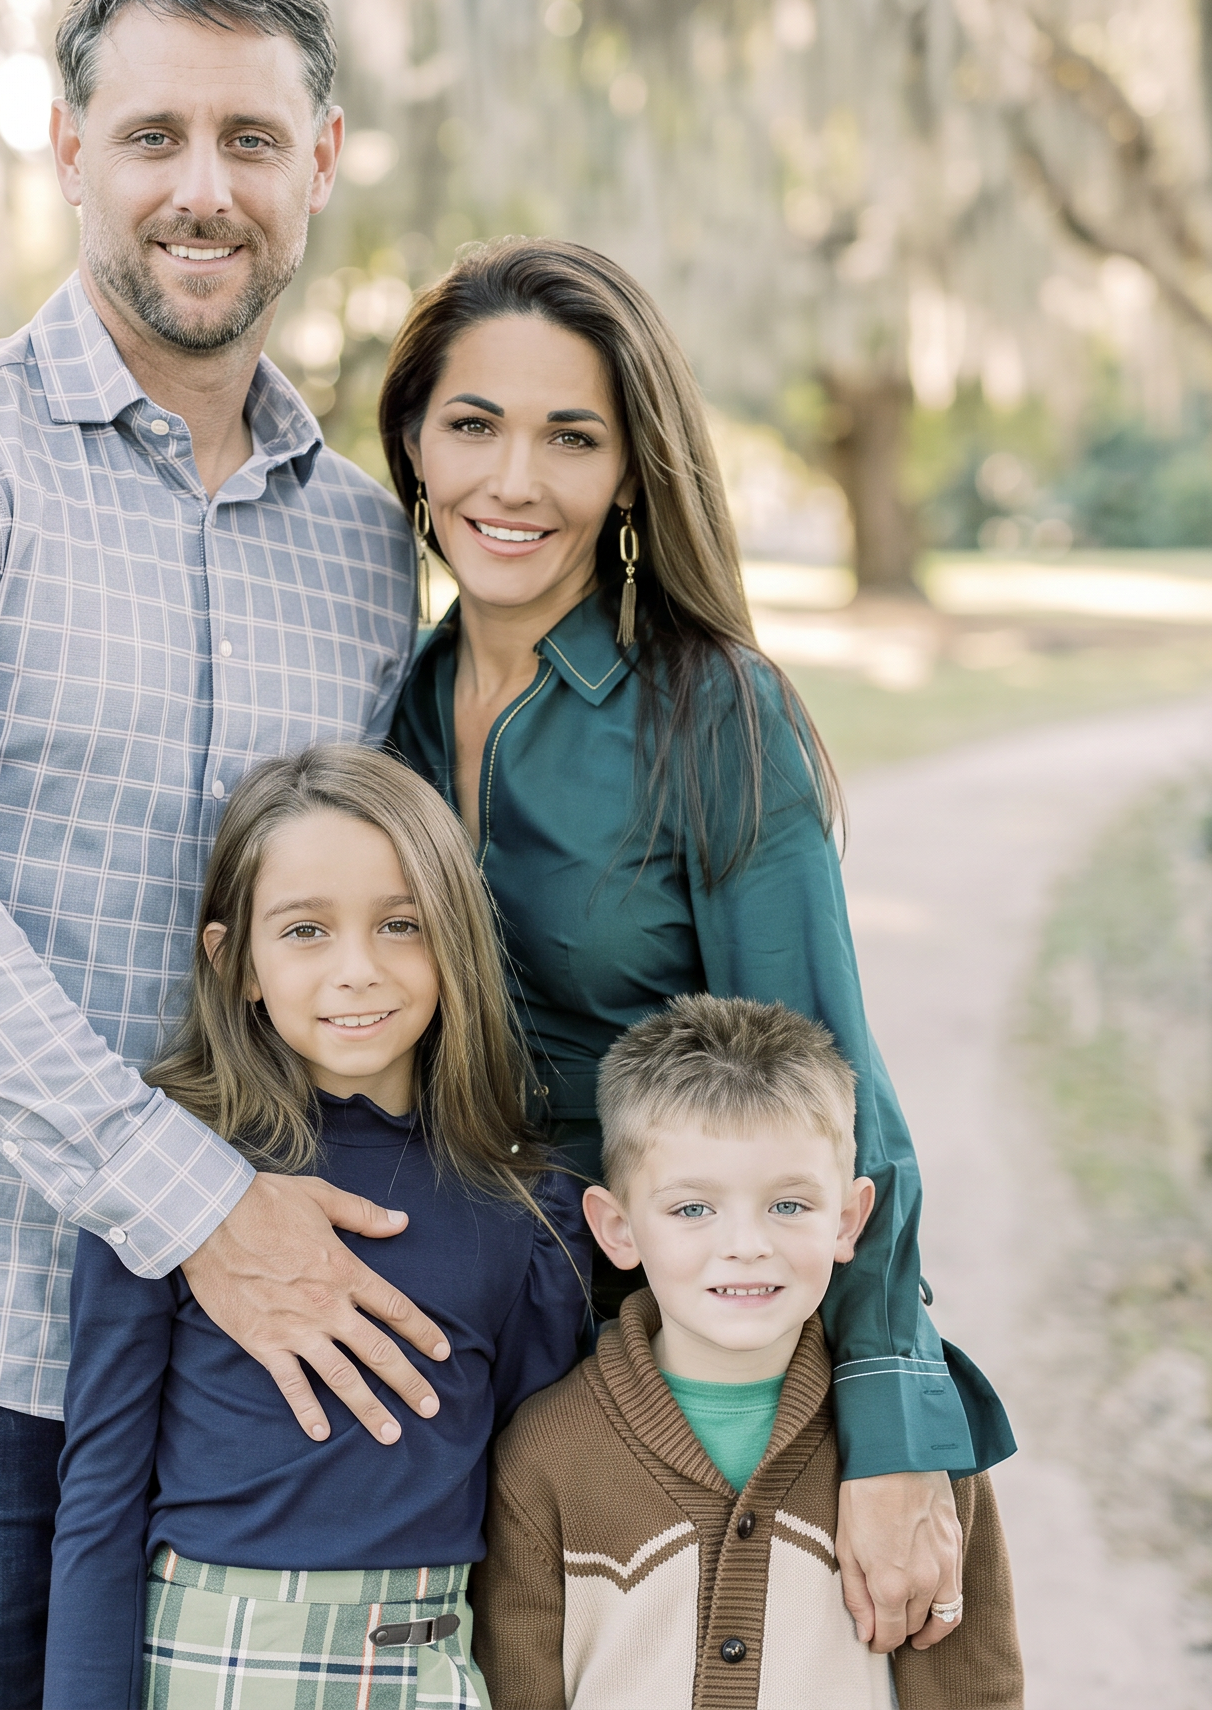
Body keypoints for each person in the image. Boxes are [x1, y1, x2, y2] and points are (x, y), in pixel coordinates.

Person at [0, 0, 453, 1703]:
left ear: (320, 162)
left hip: (249, 1339)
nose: (201, 189)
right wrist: (195, 1205)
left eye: (249, 138)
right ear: (70, 152)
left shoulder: (364, 546)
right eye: (153, 136)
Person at [382, 237, 1015, 1654]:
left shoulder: (712, 712)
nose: (514, 480)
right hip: (442, 1343)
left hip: (667, 1355)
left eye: (572, 437)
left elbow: (830, 1077)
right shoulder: (390, 704)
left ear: (629, 474)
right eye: (474, 424)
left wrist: (892, 1419)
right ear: (413, 442)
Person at [46, 744, 592, 1708]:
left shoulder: (524, 1205)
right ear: (236, 963)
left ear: (455, 938)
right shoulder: (174, 1180)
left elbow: (525, 1500)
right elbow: (100, 1497)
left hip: (429, 1667)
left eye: (401, 925)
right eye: (305, 931)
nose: (358, 972)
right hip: (212, 1666)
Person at [472, 996, 1023, 1708]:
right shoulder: (547, 1454)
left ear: (848, 1221)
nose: (746, 1244)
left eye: (788, 1205)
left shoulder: (915, 1456)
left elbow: (974, 1691)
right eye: (692, 1208)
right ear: (617, 1229)